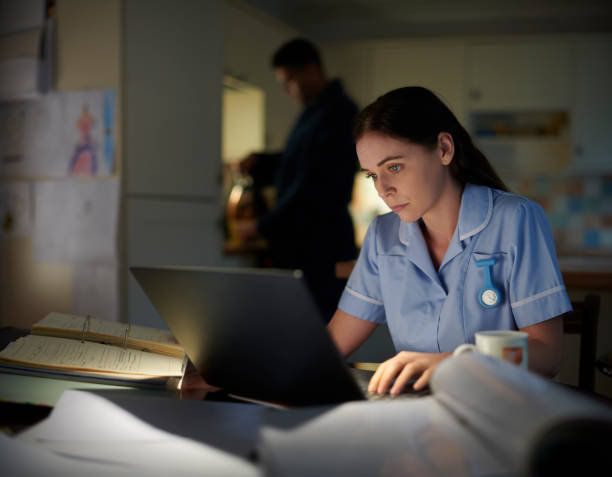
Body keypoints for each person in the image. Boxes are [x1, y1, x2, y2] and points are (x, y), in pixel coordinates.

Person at [327, 86, 571, 396]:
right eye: (372, 175)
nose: (383, 188)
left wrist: (452, 363)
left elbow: (547, 355)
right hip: (416, 416)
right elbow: (331, 346)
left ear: (444, 148)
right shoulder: (381, 237)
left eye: (395, 167)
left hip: (500, 413)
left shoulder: (516, 219)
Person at [235, 38, 359, 320]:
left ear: (311, 70)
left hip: (323, 244)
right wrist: (260, 162)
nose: (287, 89)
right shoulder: (312, 113)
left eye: (290, 80)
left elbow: (312, 187)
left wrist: (261, 226)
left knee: (322, 332)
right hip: (302, 247)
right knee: (297, 330)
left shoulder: (339, 113)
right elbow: (296, 163)